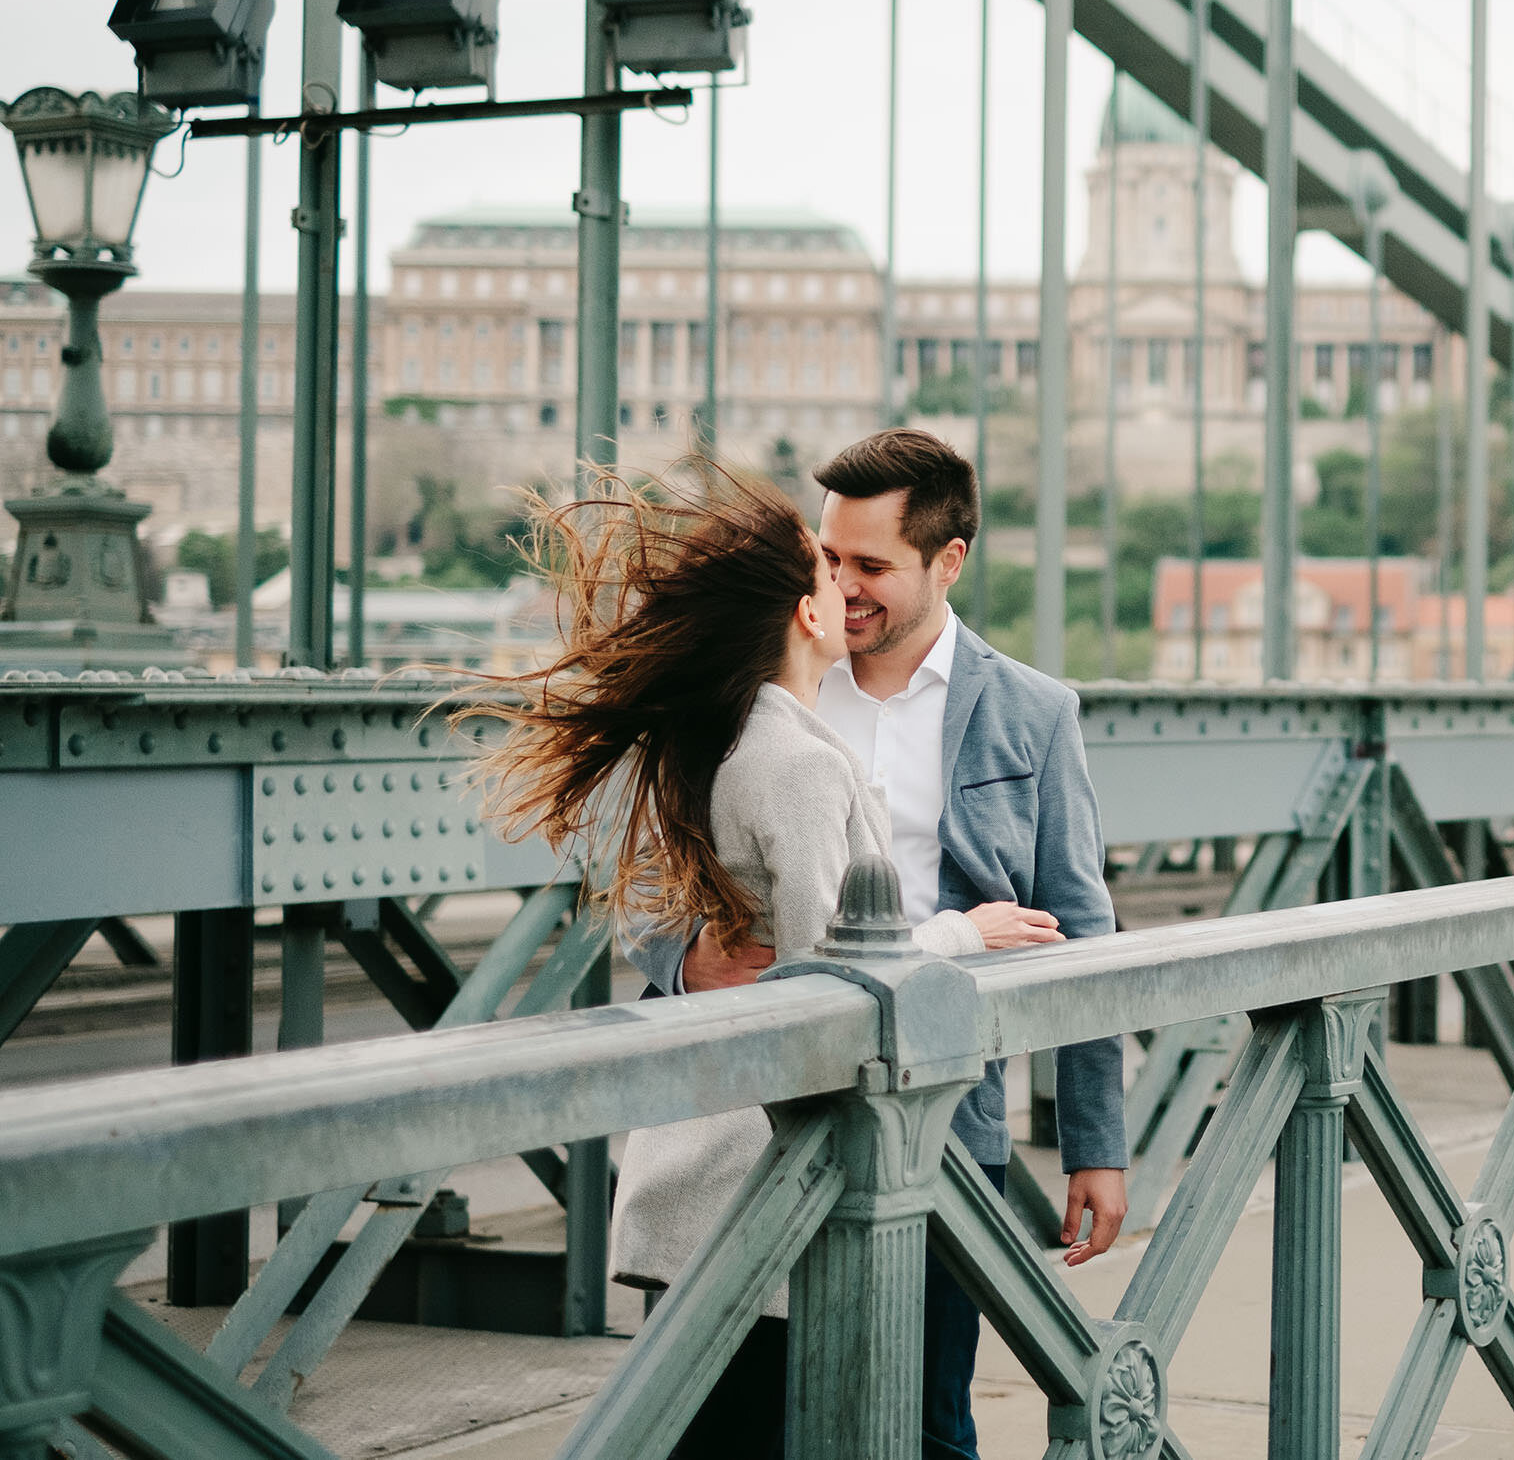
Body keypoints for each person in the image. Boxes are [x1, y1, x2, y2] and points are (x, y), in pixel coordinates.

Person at [464, 461, 1066, 1458]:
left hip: (723, 1175)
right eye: (830, 572)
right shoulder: (791, 758)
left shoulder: (744, 737)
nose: (846, 588)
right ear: (806, 612)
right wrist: (970, 931)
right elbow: (835, 974)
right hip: (757, 1187)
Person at [623, 428, 1130, 1460]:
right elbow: (650, 868)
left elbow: (1079, 928)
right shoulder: (761, 684)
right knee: (729, 1414)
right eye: (831, 556)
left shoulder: (1032, 713)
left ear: (947, 561)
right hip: (761, 1126)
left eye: (872, 565)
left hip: (944, 1123)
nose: (842, 586)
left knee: (927, 1423)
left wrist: (1096, 1144)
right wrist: (680, 959)